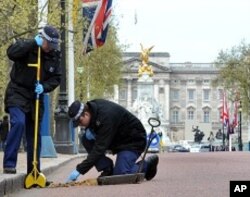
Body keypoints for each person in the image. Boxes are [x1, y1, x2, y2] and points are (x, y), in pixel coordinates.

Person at [3, 25, 61, 182]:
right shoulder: (29, 46)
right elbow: (11, 53)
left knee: (34, 134)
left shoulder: (54, 55)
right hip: (17, 92)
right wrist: (31, 44)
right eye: (49, 44)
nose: (51, 48)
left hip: (36, 96)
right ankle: (9, 163)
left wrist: (45, 88)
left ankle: (34, 170)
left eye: (54, 45)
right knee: (19, 123)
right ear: (43, 39)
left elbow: (56, 78)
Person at [66, 99, 159, 182]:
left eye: (80, 122)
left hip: (133, 141)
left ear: (86, 114)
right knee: (86, 139)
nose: (80, 125)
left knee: (121, 174)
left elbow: (99, 149)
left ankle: (148, 165)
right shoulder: (93, 110)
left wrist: (79, 170)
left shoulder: (105, 117)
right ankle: (107, 168)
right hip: (117, 139)